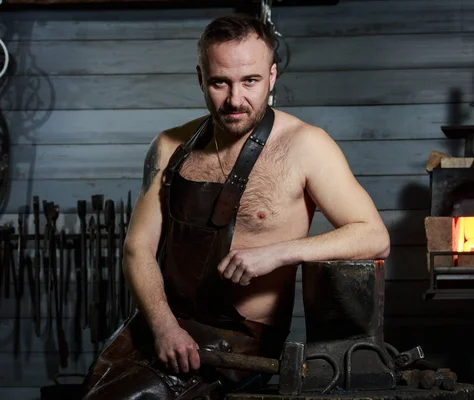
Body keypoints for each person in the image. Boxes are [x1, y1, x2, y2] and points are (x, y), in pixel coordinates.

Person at [82, 13, 390, 400]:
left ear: (272, 77)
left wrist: (277, 254)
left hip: (240, 345)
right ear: (200, 79)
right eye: (219, 82)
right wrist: (163, 327)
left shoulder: (306, 146)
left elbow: (374, 236)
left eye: (250, 81)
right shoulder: (167, 146)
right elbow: (137, 248)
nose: (235, 100)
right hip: (164, 326)